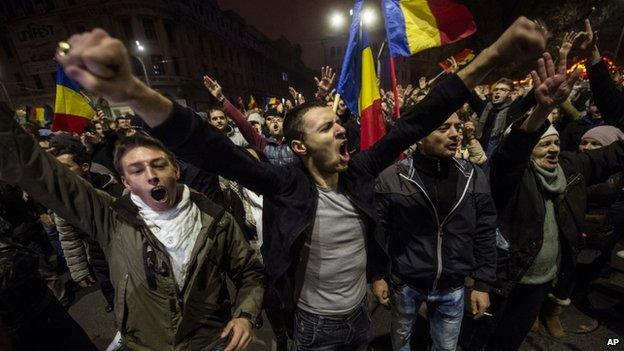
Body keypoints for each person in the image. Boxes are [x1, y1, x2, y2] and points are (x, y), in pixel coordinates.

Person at [51, 17, 552, 350]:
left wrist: (491, 56)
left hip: (358, 316)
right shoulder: (283, 185)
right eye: (326, 127)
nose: (341, 128)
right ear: (298, 147)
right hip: (309, 325)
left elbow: (415, 122)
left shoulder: (358, 173)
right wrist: (134, 91)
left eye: (338, 124)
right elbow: (210, 146)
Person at [0, 102, 264, 350]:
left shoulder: (216, 220)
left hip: (208, 344)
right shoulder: (111, 217)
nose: (150, 176)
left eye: (158, 165)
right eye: (137, 171)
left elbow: (250, 272)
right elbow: (42, 173)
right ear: (126, 183)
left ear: (175, 170)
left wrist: (244, 315)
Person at [466, 42, 624, 350]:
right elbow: (510, 155)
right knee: (480, 339)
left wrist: (595, 66)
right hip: (506, 281)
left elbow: (615, 154)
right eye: (543, 144)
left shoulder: (571, 167)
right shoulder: (513, 175)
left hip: (540, 283)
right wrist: (540, 111)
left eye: (555, 143)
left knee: (510, 340)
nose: (552, 148)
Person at [375, 111, 497, 351]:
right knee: (401, 342)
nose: (455, 135)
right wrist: (378, 275)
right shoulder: (392, 178)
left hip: (453, 286)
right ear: (419, 137)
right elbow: (380, 233)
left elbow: (485, 231)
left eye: (457, 127)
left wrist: (482, 284)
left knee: (446, 347)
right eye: (443, 128)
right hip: (406, 283)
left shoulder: (473, 176)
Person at [52, 145, 122, 313]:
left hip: (123, 251)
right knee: (112, 295)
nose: (60, 173)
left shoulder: (111, 187)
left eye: (67, 167)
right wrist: (79, 270)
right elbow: (69, 238)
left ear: (84, 167)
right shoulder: (62, 203)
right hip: (98, 257)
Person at [204, 76, 298, 166]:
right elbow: (242, 122)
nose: (275, 122)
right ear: (268, 128)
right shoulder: (262, 144)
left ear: (286, 124)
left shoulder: (296, 143)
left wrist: (297, 101)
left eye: (278, 120)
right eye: (271, 121)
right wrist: (221, 98)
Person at [469, 76, 536, 156]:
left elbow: (531, 98)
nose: (497, 92)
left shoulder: (515, 109)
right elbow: (469, 93)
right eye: (496, 89)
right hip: (482, 155)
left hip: (503, 156)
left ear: (510, 93)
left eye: (503, 90)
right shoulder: (486, 108)